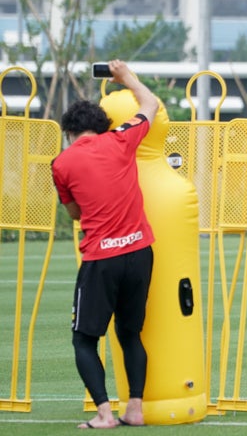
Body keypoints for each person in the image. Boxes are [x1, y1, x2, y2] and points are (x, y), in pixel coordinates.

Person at [51, 60, 159, 428]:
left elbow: (74, 213)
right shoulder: (121, 138)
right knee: (131, 334)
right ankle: (136, 409)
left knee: (84, 339)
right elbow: (151, 106)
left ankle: (104, 414)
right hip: (141, 252)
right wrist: (126, 77)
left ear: (69, 133)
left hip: (101, 258)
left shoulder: (62, 163)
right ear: (103, 128)